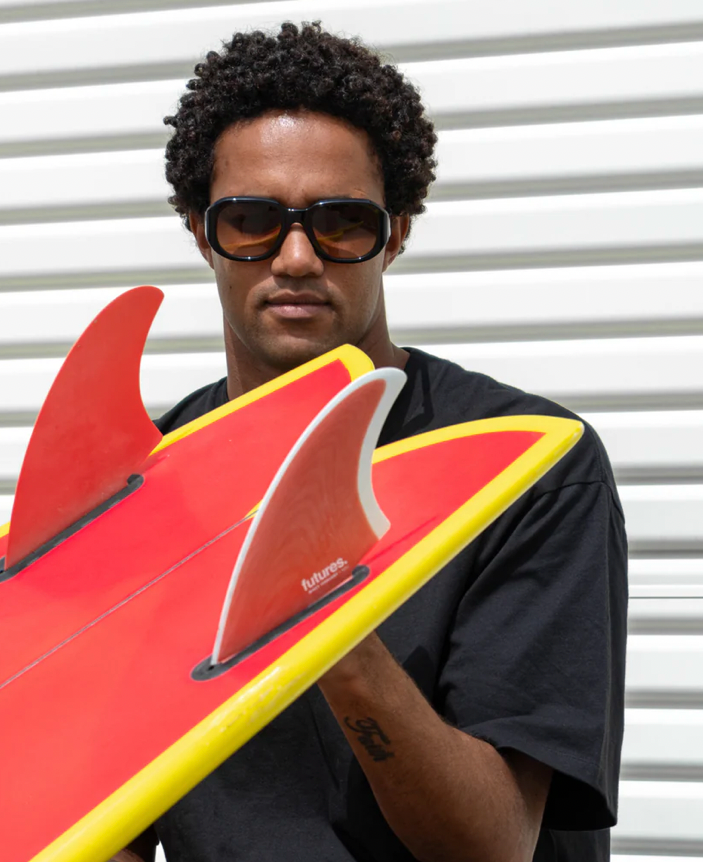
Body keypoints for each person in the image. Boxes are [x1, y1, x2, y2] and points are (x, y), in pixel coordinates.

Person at [117, 21, 627, 862]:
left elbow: (492, 841)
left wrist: (315, 603)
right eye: (250, 219)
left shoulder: (529, 468)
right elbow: (115, 817)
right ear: (201, 231)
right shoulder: (145, 486)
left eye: (342, 222)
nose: (295, 257)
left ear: (395, 232)